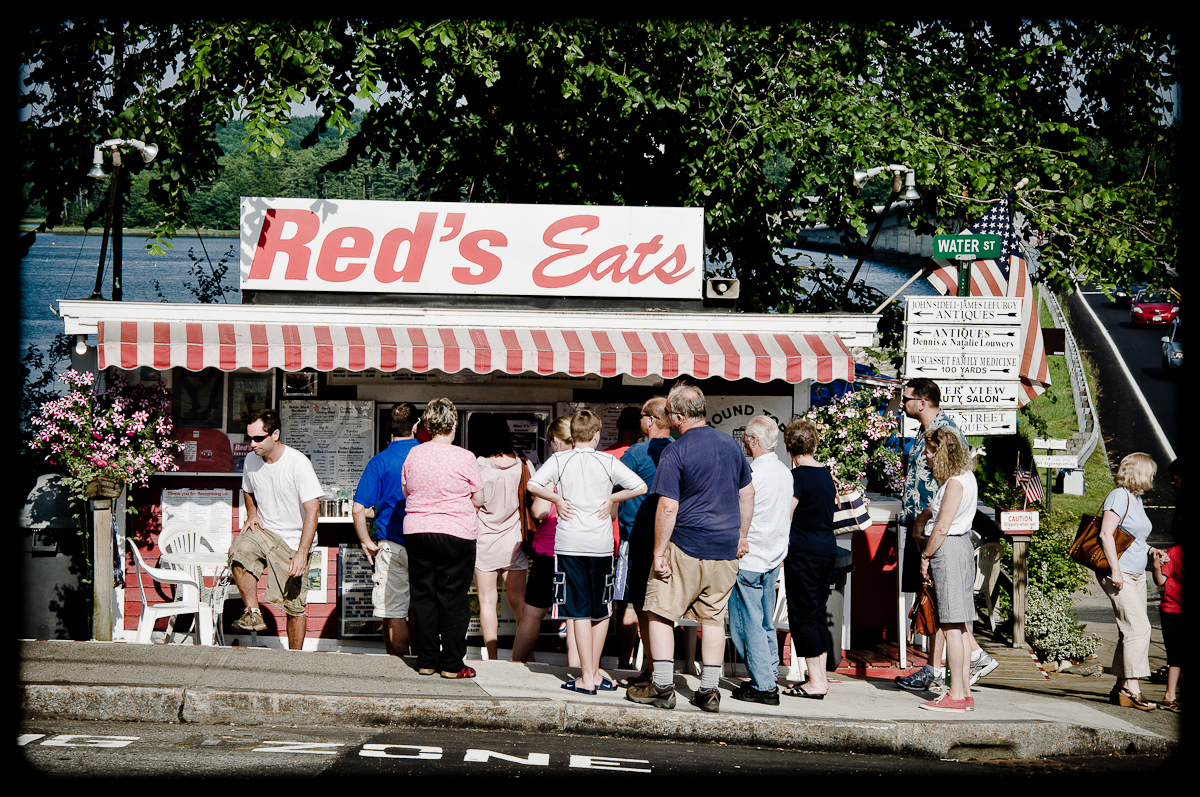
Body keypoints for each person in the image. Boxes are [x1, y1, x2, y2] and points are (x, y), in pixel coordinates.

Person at [626, 383, 754, 713]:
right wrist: (742, 535)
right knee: (712, 620)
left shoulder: (676, 451)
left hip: (684, 545)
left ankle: (663, 686)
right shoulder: (731, 445)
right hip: (724, 550)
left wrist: (658, 553)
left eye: (669, 414)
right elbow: (748, 493)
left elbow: (668, 506)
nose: (668, 419)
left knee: (659, 612)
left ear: (680, 416)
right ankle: (709, 692)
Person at [527, 410, 647, 694]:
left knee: (577, 610)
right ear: (596, 436)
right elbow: (639, 486)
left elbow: (533, 484)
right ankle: (593, 673)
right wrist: (612, 498)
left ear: (573, 434)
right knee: (602, 609)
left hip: (570, 544)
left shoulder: (559, 459)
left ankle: (586, 677)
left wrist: (557, 497)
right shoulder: (607, 460)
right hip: (602, 545)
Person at [894, 378, 997, 692]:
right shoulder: (927, 431)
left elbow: (944, 488)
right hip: (923, 528)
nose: (902, 403)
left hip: (937, 534)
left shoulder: (945, 433)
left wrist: (925, 529)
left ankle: (939, 668)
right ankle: (951, 662)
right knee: (935, 600)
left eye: (907, 398)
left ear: (922, 402)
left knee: (941, 603)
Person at [227, 408, 324, 650]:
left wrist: (302, 553)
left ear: (276, 434)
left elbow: (313, 510)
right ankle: (253, 612)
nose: (252, 444)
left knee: (294, 606)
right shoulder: (251, 460)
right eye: (249, 438)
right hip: (265, 532)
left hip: (294, 540)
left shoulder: (298, 463)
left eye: (258, 438)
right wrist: (252, 512)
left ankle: (295, 659)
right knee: (239, 553)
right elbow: (247, 489)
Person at [401, 398, 484, 679]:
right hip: (455, 533)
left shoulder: (414, 455)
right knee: (453, 599)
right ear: (454, 424)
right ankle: (451, 664)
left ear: (427, 424)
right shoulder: (465, 457)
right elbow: (479, 498)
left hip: (418, 530)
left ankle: (426, 661)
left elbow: (406, 491)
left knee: (424, 597)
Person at [729, 416, 793, 705]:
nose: (743, 442)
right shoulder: (784, 471)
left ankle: (764, 685)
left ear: (754, 441)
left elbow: (739, 511)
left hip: (750, 558)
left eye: (745, 437)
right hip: (772, 557)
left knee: (748, 624)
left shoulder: (753, 473)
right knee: (765, 622)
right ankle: (768, 677)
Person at [915, 427, 979, 712]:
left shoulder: (954, 483)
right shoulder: (967, 477)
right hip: (961, 546)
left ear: (941, 452)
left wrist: (926, 555)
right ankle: (963, 691)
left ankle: (955, 694)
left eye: (930, 451)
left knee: (951, 625)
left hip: (948, 548)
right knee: (961, 626)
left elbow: (941, 527)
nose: (926, 456)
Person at [352, 402, 420, 657]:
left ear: (389, 427)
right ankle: (423, 661)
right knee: (420, 607)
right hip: (424, 543)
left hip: (391, 545)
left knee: (394, 612)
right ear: (416, 427)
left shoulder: (379, 462)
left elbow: (359, 509)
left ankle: (399, 669)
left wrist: (365, 541)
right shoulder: (425, 456)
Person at [1098, 451, 1162, 710]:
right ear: (1139, 472)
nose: (1154, 478)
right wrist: (1115, 570)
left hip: (1136, 573)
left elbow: (1134, 537)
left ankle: (1119, 687)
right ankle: (1132, 688)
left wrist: (1151, 551)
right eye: (1151, 473)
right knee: (1139, 628)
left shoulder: (1136, 499)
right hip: (1119, 572)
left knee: (1130, 630)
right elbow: (1105, 534)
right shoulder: (1119, 496)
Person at [617, 397, 674, 686]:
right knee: (663, 606)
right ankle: (657, 669)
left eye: (641, 416)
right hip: (673, 541)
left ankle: (651, 670)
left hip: (639, 539)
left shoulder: (636, 453)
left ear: (650, 420)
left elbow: (611, 486)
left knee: (642, 606)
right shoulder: (679, 449)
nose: (640, 421)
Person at [780, 417, 837, 700]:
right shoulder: (826, 475)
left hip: (802, 552)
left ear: (789, 447)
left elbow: (786, 516)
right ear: (814, 444)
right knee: (817, 612)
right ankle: (820, 677)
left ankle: (815, 681)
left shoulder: (797, 478)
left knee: (802, 615)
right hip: (826, 549)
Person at [469, 413, 531, 660]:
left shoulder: (478, 465)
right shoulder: (522, 464)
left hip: (484, 541)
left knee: (487, 602)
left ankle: (492, 657)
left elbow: (471, 504)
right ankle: (525, 655)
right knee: (520, 605)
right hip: (514, 540)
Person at [510, 417, 570, 663]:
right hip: (582, 549)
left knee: (533, 612)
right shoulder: (594, 464)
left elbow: (540, 512)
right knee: (576, 617)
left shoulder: (554, 466)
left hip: (550, 548)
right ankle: (579, 671)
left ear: (555, 441)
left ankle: (516, 663)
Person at [606, 406, 645, 670]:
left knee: (604, 603)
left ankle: (596, 658)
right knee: (632, 603)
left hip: (604, 539)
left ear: (618, 425)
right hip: (629, 540)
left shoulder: (605, 456)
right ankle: (625, 662)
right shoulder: (644, 456)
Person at [1149, 459, 1181, 713]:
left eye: (1176, 477)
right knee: (1176, 655)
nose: (1172, 482)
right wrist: (1158, 565)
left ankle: (1172, 695)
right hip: (1173, 610)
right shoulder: (1176, 553)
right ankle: (1170, 695)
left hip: (1173, 610)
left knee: (1177, 656)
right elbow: (1161, 582)